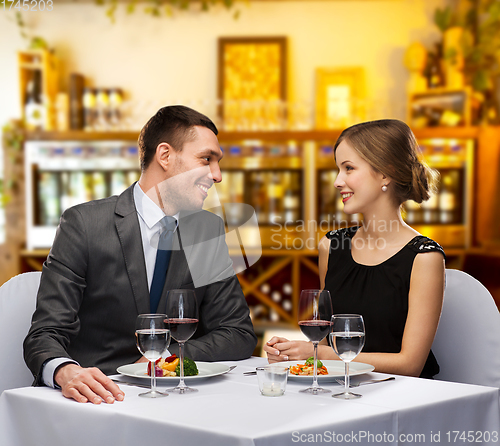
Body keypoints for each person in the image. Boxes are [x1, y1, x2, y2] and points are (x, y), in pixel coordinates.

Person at [24, 105, 257, 404]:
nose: (217, 175)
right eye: (206, 159)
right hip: (98, 400)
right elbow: (45, 334)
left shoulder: (205, 231)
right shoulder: (84, 224)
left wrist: (165, 358)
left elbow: (237, 332)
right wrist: (66, 371)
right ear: (165, 156)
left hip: (179, 399)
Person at [264, 119, 445, 379]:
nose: (337, 181)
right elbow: (326, 342)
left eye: (348, 168)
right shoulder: (331, 246)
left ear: (385, 173)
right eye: (338, 169)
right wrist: (294, 352)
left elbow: (410, 365)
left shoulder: (425, 257)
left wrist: (319, 354)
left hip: (403, 398)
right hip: (341, 390)